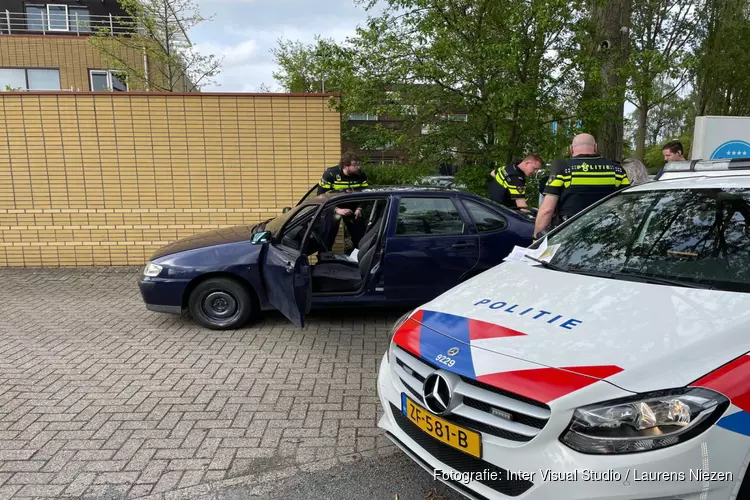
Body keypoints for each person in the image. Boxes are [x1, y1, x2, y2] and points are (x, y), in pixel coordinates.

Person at [534, 133, 630, 238]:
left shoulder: (563, 169)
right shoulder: (617, 169)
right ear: (595, 147)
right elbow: (628, 204)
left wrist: (536, 239)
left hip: (570, 235)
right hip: (607, 234)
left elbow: (547, 209)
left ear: (571, 149)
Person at [317, 152, 369, 249]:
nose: (358, 167)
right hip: (332, 206)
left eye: (359, 164)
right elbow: (321, 196)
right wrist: (337, 210)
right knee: (327, 237)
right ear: (345, 166)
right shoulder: (330, 174)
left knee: (360, 237)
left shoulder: (361, 175)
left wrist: (360, 208)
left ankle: (358, 260)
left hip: (353, 207)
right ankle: (324, 260)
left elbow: (365, 195)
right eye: (355, 165)